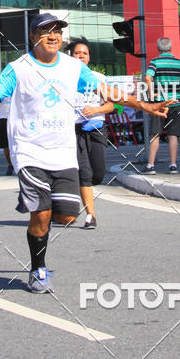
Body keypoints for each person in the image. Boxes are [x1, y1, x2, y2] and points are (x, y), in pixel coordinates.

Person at [0, 12, 168, 293]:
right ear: (32, 37)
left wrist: (145, 106)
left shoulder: (73, 68)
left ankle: (35, 202)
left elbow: (105, 90)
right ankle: (38, 269)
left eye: (57, 31)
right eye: (45, 30)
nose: (53, 36)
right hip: (28, 151)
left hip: (63, 152)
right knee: (41, 214)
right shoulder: (19, 69)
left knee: (66, 217)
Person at [67, 37, 112, 230]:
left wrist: (96, 110)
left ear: (89, 57)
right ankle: (90, 215)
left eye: (84, 53)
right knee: (84, 173)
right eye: (77, 53)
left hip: (96, 127)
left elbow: (111, 105)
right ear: (71, 56)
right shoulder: (64, 78)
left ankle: (75, 191)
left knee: (98, 174)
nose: (81, 56)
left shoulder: (98, 78)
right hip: (73, 129)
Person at [145, 37, 180, 175]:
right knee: (173, 135)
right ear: (170, 48)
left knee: (155, 134)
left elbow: (148, 77)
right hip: (175, 103)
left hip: (159, 103)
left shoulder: (155, 62)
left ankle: (151, 165)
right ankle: (173, 165)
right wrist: (178, 85)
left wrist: (151, 92)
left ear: (159, 49)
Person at [0, 96, 14, 175]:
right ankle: (10, 164)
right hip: (3, 118)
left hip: (17, 118)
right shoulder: (2, 86)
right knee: (5, 144)